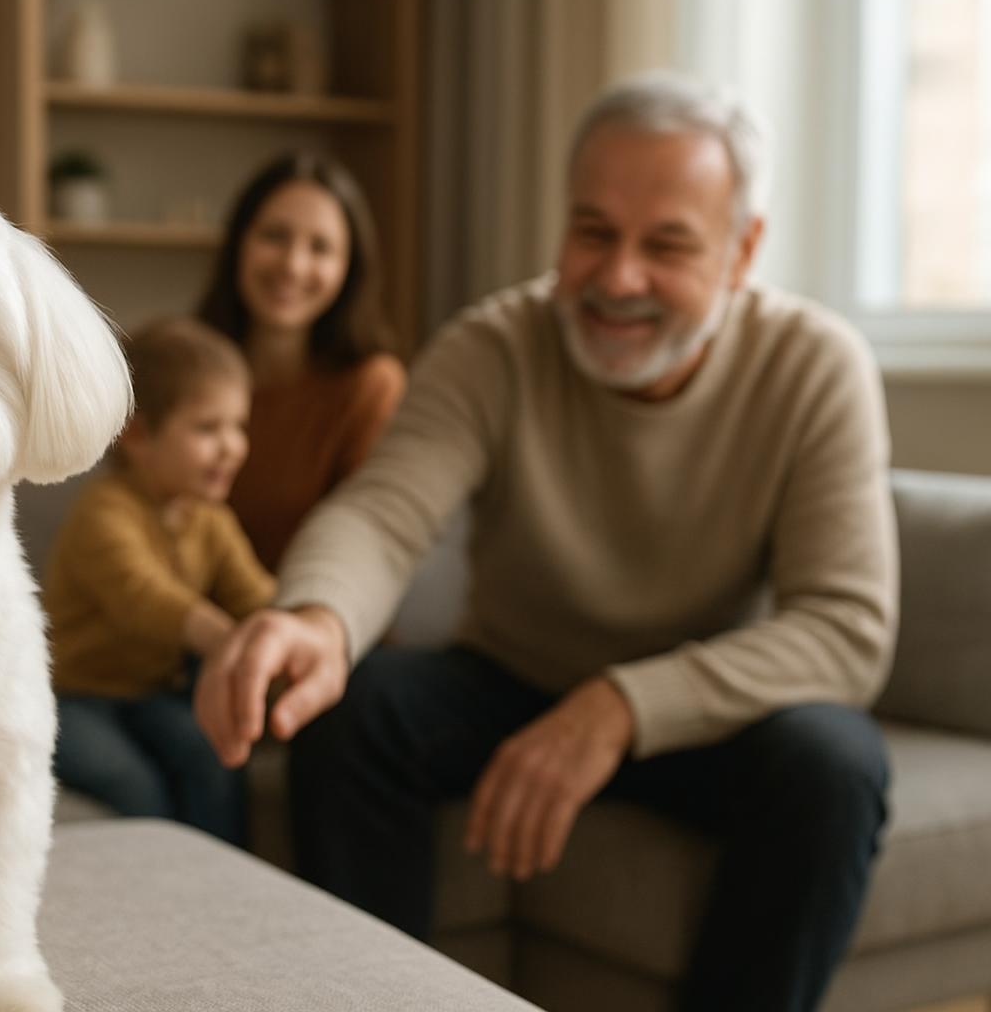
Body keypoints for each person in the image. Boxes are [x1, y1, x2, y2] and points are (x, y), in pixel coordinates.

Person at [194, 73, 897, 1012]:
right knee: (355, 712)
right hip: (510, 677)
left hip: (703, 706)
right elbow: (382, 513)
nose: (618, 278)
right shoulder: (492, 347)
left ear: (742, 251)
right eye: (593, 232)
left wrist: (620, 707)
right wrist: (316, 618)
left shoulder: (816, 366)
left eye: (667, 245)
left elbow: (845, 630)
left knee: (835, 765)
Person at [46, 316, 275, 846]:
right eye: (208, 429)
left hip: (151, 694)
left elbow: (256, 595)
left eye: (238, 426)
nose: (233, 447)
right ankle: (164, 879)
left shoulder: (211, 520)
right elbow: (143, 597)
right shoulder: (103, 513)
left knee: (209, 752)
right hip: (74, 697)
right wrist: (223, 637)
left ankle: (225, 876)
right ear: (138, 434)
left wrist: (287, 631)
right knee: (134, 783)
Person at [197, 151, 407, 569]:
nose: (293, 265)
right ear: (239, 243)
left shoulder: (372, 387)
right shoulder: (184, 367)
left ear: (349, 269)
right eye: (275, 236)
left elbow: (364, 544)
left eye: (320, 248)